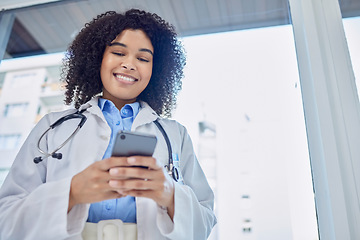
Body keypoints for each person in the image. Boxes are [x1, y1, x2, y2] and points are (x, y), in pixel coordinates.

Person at [0, 9, 216, 240]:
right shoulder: (53, 126)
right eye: (118, 52)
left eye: (143, 58)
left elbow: (204, 223)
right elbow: (6, 220)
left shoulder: (176, 134)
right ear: (98, 58)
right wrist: (71, 193)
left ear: (156, 70)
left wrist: (170, 195)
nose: (129, 64)